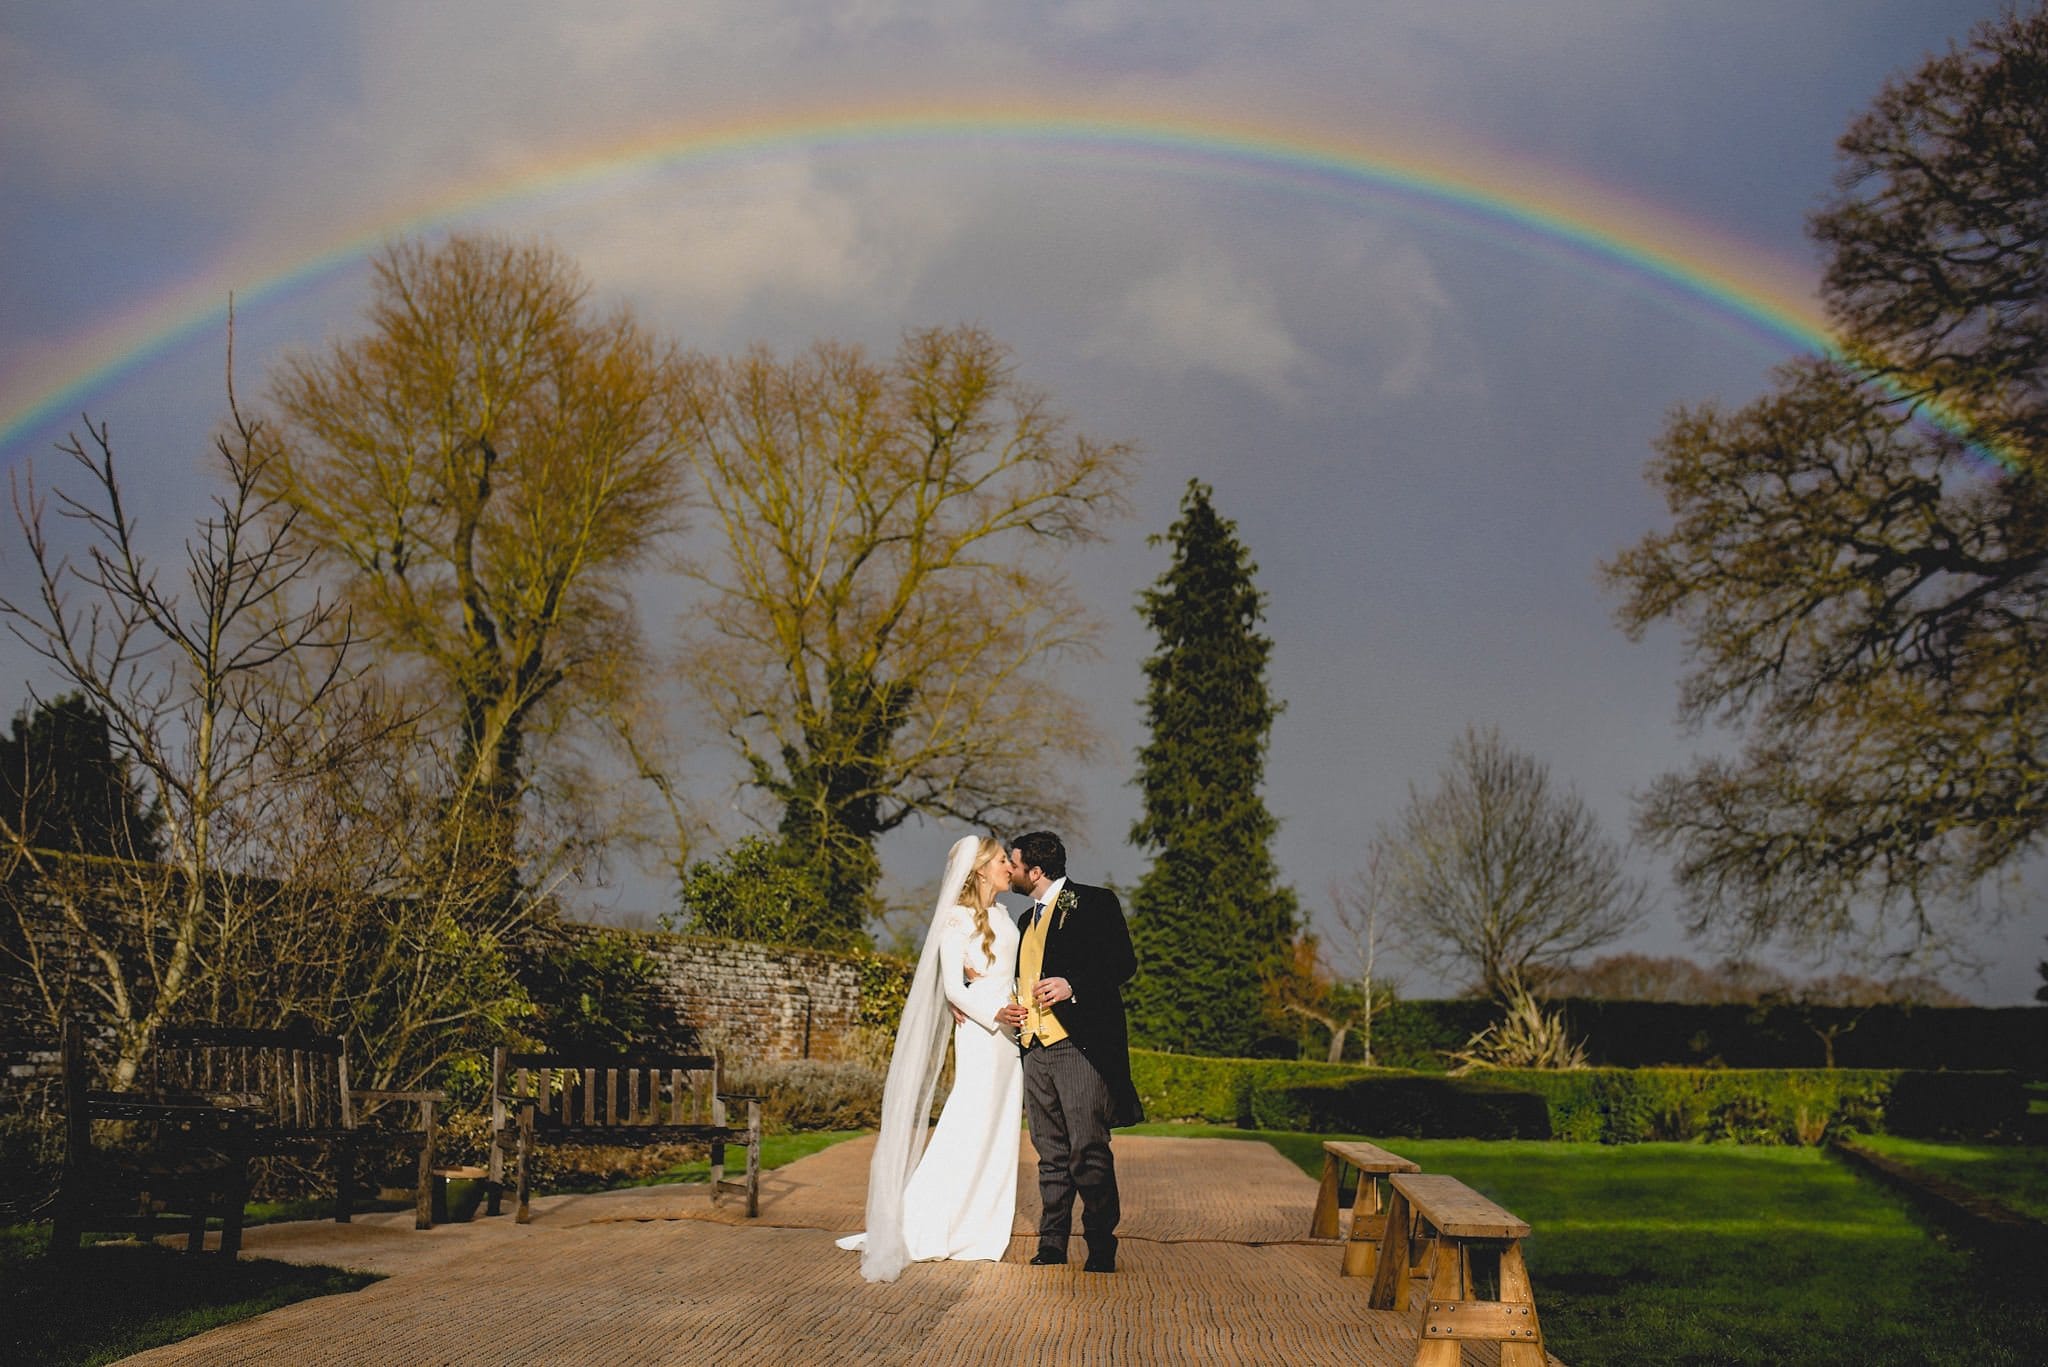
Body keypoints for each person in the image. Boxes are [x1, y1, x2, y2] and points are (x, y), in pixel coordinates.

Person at [838, 835, 1023, 1282]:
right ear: (980, 869)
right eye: (1001, 860)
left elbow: (1008, 970)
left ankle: (982, 1223)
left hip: (1010, 1039)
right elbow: (952, 987)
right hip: (981, 1033)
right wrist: (991, 1008)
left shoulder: (1006, 916)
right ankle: (927, 1220)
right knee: (967, 1123)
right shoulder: (956, 920)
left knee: (1000, 1128)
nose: (1008, 867)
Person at [994, 830, 1143, 1273]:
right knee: (1050, 1152)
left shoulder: (1096, 902)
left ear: (1035, 872)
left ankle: (1100, 1245)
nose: (1011, 870)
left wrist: (1071, 984)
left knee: (1088, 1149)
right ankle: (1052, 1243)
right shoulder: (1025, 921)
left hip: (1078, 1047)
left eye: (1015, 864)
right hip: (1034, 1049)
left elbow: (1123, 963)